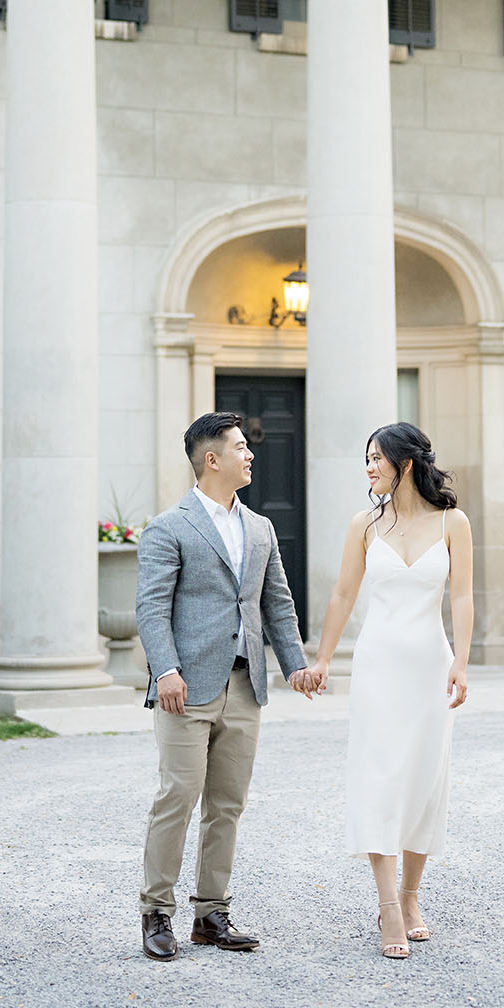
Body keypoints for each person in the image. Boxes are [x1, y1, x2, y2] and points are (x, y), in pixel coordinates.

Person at [134, 411, 319, 961]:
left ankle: (211, 915)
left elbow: (277, 605)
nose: (251, 454)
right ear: (211, 459)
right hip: (184, 687)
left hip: (245, 687)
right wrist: (165, 669)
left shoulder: (259, 528)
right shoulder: (168, 526)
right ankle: (156, 914)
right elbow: (150, 607)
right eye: (240, 447)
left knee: (228, 803)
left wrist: (295, 666)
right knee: (178, 797)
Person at [312, 421, 472, 959]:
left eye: (376, 458)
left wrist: (464, 662)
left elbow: (465, 598)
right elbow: (341, 594)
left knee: (424, 782)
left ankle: (410, 896)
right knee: (380, 779)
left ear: (405, 464)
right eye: (366, 459)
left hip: (432, 667)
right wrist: (324, 658)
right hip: (377, 668)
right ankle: (387, 909)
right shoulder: (364, 524)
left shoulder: (454, 522)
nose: (369, 468)